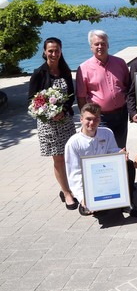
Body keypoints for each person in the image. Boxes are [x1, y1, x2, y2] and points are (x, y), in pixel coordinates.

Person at [64, 103, 137, 217]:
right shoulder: (73, 143)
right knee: (99, 212)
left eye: (96, 119)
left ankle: (127, 201)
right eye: (88, 119)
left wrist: (120, 154)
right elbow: (74, 174)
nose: (92, 123)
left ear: (100, 119)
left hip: (106, 175)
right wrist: (82, 197)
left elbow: (112, 151)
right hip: (89, 182)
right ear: (81, 119)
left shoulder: (107, 132)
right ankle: (86, 203)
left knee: (128, 164)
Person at [28, 37, 78, 210]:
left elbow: (71, 96)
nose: (54, 54)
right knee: (58, 159)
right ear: (44, 52)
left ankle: (71, 186)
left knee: (71, 157)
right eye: (50, 50)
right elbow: (31, 100)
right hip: (48, 125)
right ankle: (66, 193)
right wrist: (48, 113)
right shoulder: (38, 73)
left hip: (66, 122)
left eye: (56, 50)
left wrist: (63, 111)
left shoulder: (65, 71)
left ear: (61, 51)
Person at [75, 30, 131, 149]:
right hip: (100, 117)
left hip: (121, 114)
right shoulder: (83, 68)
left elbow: (128, 87)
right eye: (96, 44)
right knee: (103, 149)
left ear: (108, 45)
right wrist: (87, 117)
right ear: (91, 47)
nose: (100, 47)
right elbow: (81, 97)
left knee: (120, 149)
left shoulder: (120, 63)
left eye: (103, 43)